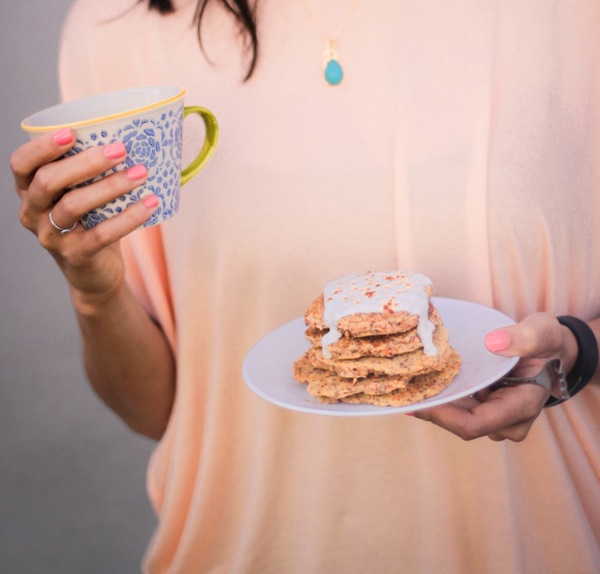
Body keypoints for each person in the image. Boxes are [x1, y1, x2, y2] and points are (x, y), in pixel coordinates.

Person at [10, 0, 600, 572]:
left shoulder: (570, 17)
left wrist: (577, 352)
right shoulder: (118, 29)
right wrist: (94, 289)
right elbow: (159, 410)